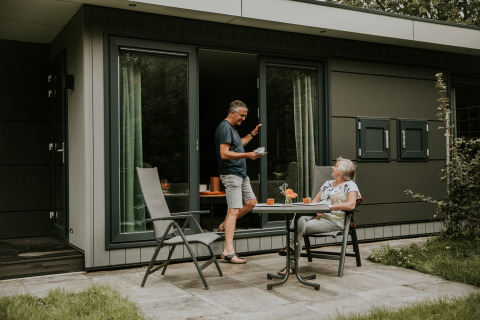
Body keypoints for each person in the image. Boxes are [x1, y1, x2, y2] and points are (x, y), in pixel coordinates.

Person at [278, 157, 361, 275]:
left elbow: (351, 205)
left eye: (336, 166)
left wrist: (329, 208)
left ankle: (291, 263)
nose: (332, 167)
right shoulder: (327, 183)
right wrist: (317, 209)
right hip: (316, 216)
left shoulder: (350, 186)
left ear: (343, 172)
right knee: (299, 216)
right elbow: (314, 202)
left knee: (298, 229)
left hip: (332, 220)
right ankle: (291, 248)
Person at [215, 100, 263, 264]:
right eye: (242, 116)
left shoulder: (233, 129)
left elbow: (238, 145)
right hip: (231, 174)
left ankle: (225, 222)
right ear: (232, 113)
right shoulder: (224, 128)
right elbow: (224, 153)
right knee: (233, 210)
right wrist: (248, 155)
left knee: (251, 202)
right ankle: (228, 251)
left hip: (241, 174)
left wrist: (252, 134)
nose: (243, 119)